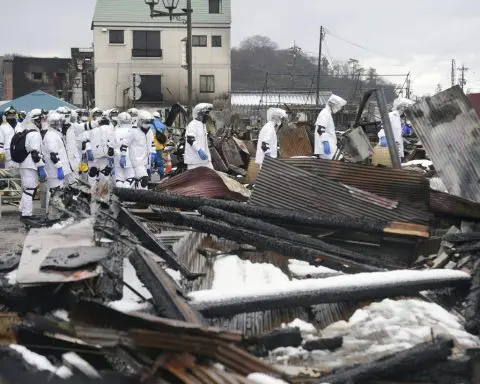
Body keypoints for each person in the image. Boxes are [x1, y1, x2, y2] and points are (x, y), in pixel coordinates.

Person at [14, 109, 47, 224]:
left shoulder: (27, 130)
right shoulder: (34, 133)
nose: (42, 121)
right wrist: (41, 167)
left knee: (27, 189)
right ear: (35, 120)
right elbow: (35, 153)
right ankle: (26, 215)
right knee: (29, 190)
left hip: (25, 164)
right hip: (30, 165)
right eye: (41, 119)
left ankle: (23, 211)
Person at [42, 112, 72, 219]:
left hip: (55, 170)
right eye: (58, 122)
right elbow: (53, 155)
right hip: (54, 171)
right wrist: (59, 168)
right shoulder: (51, 136)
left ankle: (53, 214)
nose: (60, 124)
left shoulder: (54, 134)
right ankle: (51, 215)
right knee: (54, 192)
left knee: (56, 192)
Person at [122, 110, 154, 189]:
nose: (148, 124)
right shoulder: (133, 131)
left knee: (138, 181)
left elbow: (152, 144)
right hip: (136, 161)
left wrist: (153, 154)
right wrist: (123, 156)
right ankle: (143, 198)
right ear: (140, 121)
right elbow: (124, 144)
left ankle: (131, 196)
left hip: (146, 161)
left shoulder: (150, 131)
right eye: (146, 122)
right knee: (144, 179)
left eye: (149, 122)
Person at [314, 94, 347, 160]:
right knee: (339, 161)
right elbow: (320, 129)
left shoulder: (327, 113)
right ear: (333, 105)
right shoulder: (325, 113)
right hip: (326, 148)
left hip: (330, 147)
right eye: (339, 106)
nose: (339, 109)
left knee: (339, 160)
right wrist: (325, 144)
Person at [184, 103, 213, 170]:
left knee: (211, 176)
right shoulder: (192, 124)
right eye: (206, 113)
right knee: (194, 179)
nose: (207, 115)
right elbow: (190, 139)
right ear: (199, 114)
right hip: (194, 161)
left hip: (204, 160)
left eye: (208, 113)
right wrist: (199, 150)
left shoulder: (202, 125)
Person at [114, 112, 135, 188]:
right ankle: (125, 193)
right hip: (130, 158)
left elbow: (110, 146)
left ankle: (120, 194)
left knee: (119, 179)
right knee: (130, 178)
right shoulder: (134, 131)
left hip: (117, 157)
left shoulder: (115, 131)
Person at [151, 111, 167, 178]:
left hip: (151, 147)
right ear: (159, 117)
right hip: (159, 147)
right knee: (160, 162)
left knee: (149, 162)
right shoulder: (163, 126)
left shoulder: (149, 125)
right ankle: (161, 176)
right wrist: (164, 146)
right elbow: (165, 138)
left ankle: (148, 177)